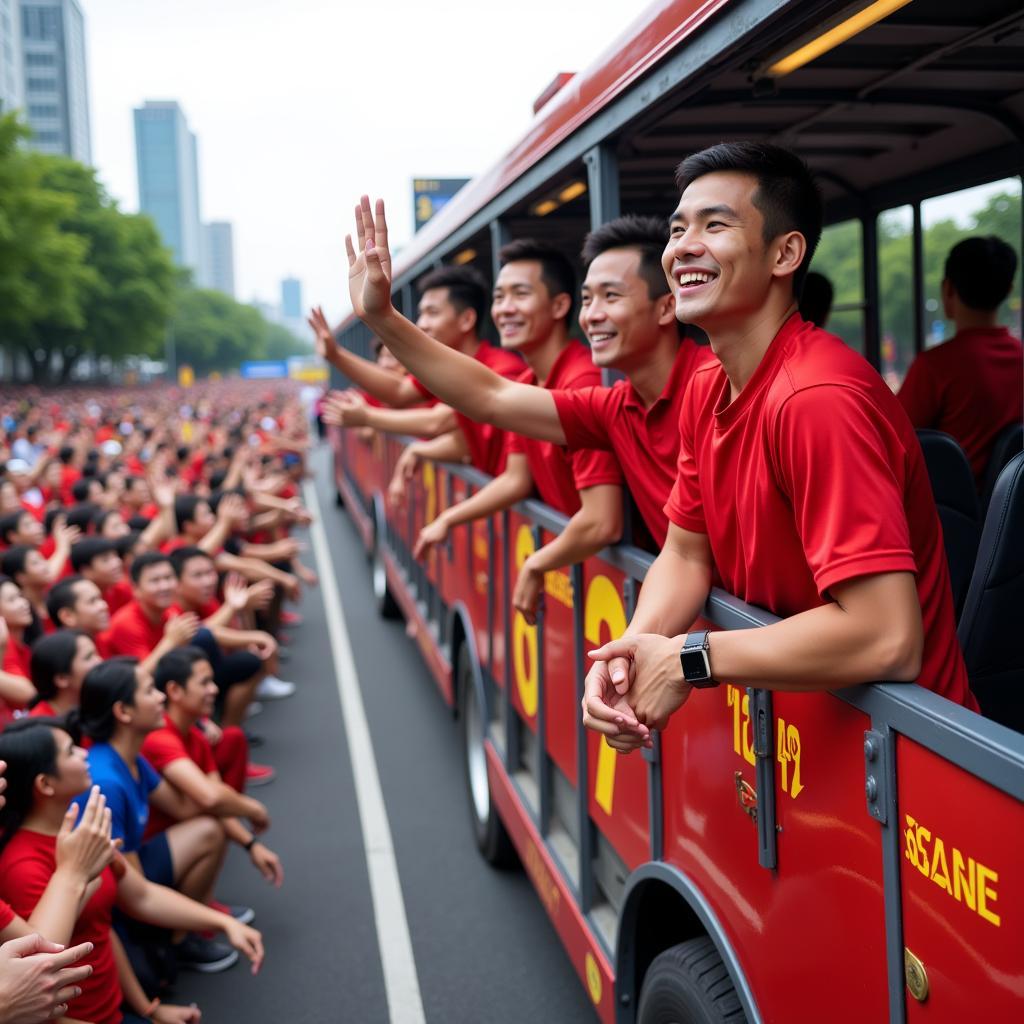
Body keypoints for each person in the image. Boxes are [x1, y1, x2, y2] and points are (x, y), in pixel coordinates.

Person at [571, 141, 975, 751]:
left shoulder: (816, 398)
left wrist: (687, 659)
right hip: (800, 745)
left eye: (715, 224)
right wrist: (635, 653)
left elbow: (885, 635)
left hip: (907, 765)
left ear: (785, 253)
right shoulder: (707, 384)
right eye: (678, 228)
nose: (682, 246)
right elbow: (684, 554)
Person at [338, 213, 713, 547]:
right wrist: (381, 318)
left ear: (667, 307)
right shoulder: (613, 404)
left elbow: (605, 523)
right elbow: (490, 398)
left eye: (611, 296)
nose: (593, 315)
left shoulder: (713, 386)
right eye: (589, 299)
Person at [407, 240, 624, 621]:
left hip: (599, 574)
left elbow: (602, 520)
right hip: (575, 568)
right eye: (499, 296)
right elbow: (516, 478)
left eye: (519, 294)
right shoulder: (526, 380)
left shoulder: (581, 381)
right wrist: (448, 518)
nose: (505, 309)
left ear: (559, 306)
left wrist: (537, 563)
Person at [0, 719, 261, 1023]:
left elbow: (132, 903)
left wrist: (223, 923)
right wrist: (72, 876)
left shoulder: (83, 836)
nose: (85, 755)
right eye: (71, 751)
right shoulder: (21, 865)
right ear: (45, 784)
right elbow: (38, 977)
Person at [74, 658, 250, 975]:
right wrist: (220, 922)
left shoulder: (131, 757)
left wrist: (214, 792)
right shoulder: (106, 782)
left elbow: (185, 808)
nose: (160, 698)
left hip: (133, 872)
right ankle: (171, 942)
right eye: (149, 691)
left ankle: (176, 937)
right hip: (118, 902)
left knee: (208, 830)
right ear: (123, 712)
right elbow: (135, 895)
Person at [312, 265, 525, 477]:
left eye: (432, 313)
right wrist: (335, 355)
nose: (422, 324)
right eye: (421, 314)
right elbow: (399, 392)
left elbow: (437, 422)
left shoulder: (501, 369)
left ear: (467, 320)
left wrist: (367, 417)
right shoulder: (443, 369)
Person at [142, 648, 284, 891]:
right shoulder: (159, 737)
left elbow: (217, 797)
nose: (214, 690)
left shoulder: (195, 736)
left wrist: (251, 844)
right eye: (204, 683)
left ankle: (202, 907)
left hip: (176, 835)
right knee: (212, 829)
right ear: (175, 691)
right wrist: (254, 809)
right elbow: (211, 797)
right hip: (145, 851)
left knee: (233, 742)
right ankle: (187, 920)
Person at [897, 235, 1023, 484]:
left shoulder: (935, 366)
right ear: (1008, 290)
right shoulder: (1020, 356)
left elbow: (893, 440)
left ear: (947, 288)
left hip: (949, 515)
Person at [103, 553, 200, 671]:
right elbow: (140, 675)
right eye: (155, 581)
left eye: (168, 578)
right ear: (136, 589)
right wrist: (171, 641)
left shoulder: (172, 611)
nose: (164, 586)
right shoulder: (126, 623)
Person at [29, 629, 102, 720]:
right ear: (62, 678)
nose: (99, 661)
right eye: (88, 657)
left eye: (96, 654)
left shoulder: (95, 706)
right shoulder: (41, 727)